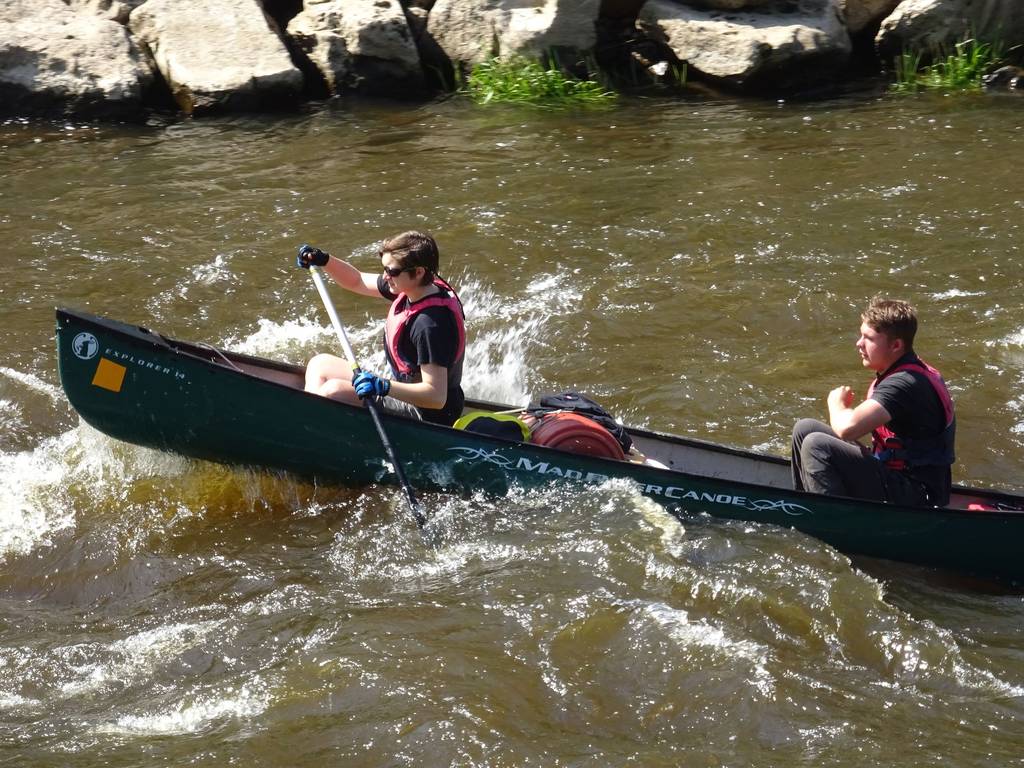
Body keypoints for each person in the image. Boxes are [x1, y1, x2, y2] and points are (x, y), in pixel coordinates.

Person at [790, 297, 955, 507]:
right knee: (805, 429)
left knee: (817, 446)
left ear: (896, 345)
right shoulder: (903, 371)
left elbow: (848, 429)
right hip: (895, 475)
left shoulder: (904, 384)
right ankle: (801, 505)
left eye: (868, 338)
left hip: (918, 494)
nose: (859, 344)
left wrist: (836, 403)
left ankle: (832, 520)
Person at [295, 231, 466, 426]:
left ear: (418, 272)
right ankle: (311, 421)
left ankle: (316, 428)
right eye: (385, 269)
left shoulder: (429, 325)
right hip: (405, 391)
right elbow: (357, 281)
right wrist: (325, 260)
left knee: (333, 391)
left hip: (428, 414)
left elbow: (436, 397)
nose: (386, 276)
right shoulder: (414, 288)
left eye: (392, 271)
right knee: (320, 364)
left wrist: (383, 386)